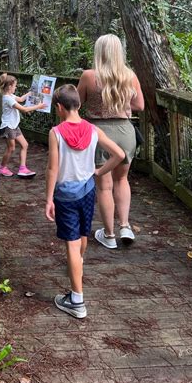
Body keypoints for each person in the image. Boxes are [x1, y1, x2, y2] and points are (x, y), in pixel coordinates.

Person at [45, 84, 125, 318]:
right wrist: (99, 172)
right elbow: (119, 154)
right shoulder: (93, 130)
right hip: (88, 190)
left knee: (71, 241)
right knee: (82, 235)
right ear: (79, 105)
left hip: (65, 195)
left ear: (59, 107)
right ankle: (77, 266)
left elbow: (52, 169)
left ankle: (77, 301)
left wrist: (48, 198)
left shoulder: (56, 133)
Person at [77, 34, 145, 249]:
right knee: (122, 180)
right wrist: (120, 103)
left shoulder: (89, 76)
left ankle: (108, 235)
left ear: (99, 52)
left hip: (98, 133)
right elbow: (140, 105)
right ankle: (125, 226)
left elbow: (76, 104)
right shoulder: (130, 76)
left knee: (104, 186)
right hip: (125, 132)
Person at [0, 73, 47, 178]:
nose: (16, 87)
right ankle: (2, 168)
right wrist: (39, 106)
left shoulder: (11, 95)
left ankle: (22, 168)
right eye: (15, 85)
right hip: (8, 126)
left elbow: (21, 99)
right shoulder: (7, 98)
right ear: (10, 86)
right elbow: (24, 109)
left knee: (25, 145)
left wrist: (31, 92)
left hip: (14, 125)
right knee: (11, 148)